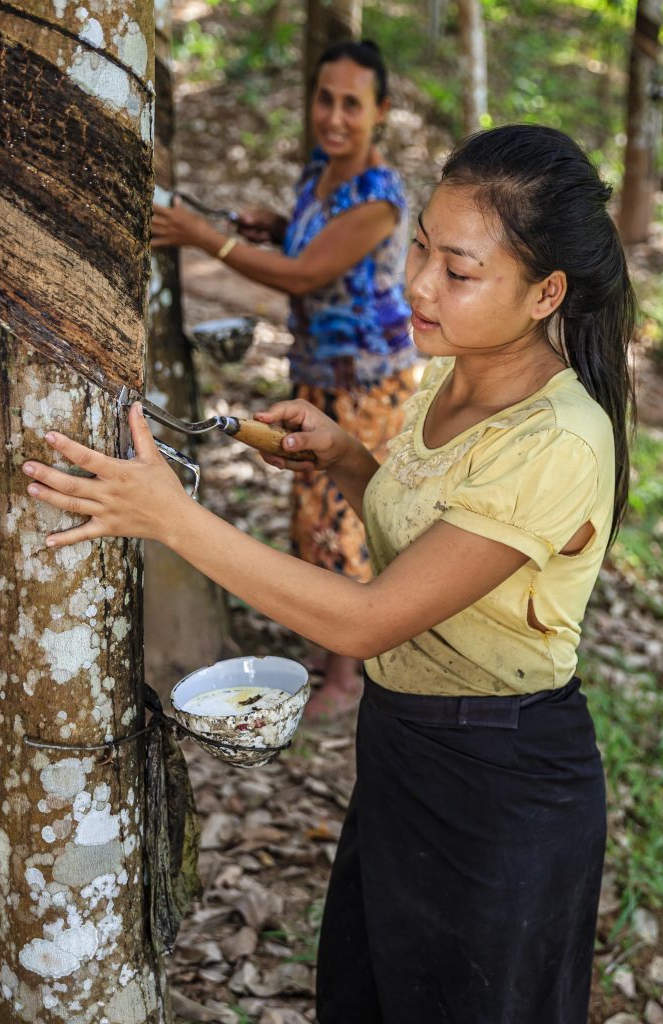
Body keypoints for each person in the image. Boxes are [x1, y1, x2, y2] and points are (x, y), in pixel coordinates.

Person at [23, 123, 636, 1023]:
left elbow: (367, 619)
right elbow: (430, 539)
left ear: (548, 292)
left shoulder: (559, 441)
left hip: (500, 784)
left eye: (459, 271)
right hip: (404, 749)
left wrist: (172, 518)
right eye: (420, 246)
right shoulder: (456, 375)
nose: (419, 284)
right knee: (369, 991)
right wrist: (347, 457)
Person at [151, 39, 419, 717]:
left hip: (366, 381)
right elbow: (306, 242)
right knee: (312, 508)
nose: (333, 116)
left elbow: (306, 273)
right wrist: (274, 225)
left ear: (380, 111)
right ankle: (336, 645)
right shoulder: (321, 174)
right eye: (324, 99)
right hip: (319, 372)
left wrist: (201, 237)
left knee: (344, 516)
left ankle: (346, 674)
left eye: (351, 104)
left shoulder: (379, 197)